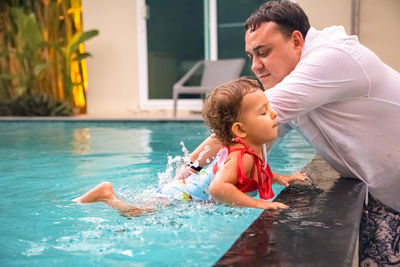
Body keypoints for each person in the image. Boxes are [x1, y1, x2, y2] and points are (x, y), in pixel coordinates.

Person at [181, 1, 400, 266]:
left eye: (263, 52)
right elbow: (243, 147)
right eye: (251, 55)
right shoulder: (293, 87)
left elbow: (239, 125)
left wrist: (189, 170)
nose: (255, 66)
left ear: (297, 40)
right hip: (384, 199)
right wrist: (191, 194)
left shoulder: (333, 58)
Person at [73, 78, 308, 216]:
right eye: (264, 112)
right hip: (182, 197)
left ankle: (107, 194)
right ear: (240, 130)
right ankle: (107, 196)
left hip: (185, 189)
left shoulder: (251, 151)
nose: (275, 113)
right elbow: (217, 189)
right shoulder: (242, 157)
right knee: (139, 214)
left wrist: (282, 177)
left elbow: (257, 174)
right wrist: (258, 203)